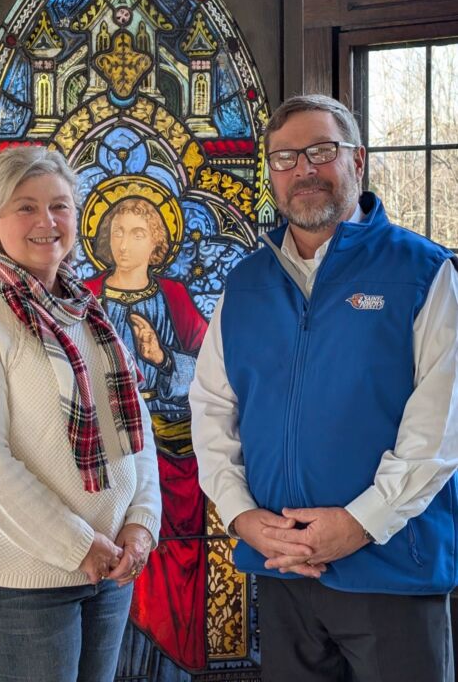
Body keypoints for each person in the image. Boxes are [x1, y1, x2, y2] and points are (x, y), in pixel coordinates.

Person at [190, 94, 458, 682]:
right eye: (285, 158)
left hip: (391, 572)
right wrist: (241, 516)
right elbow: (211, 411)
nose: (303, 170)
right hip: (282, 570)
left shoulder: (423, 271)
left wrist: (357, 525)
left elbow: (439, 432)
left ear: (357, 160)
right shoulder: (246, 284)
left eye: (320, 151)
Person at [0, 146, 161, 682]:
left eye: (59, 206)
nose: (46, 222)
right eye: (26, 207)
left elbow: (135, 432)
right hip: (16, 585)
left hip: (106, 573)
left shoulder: (87, 310)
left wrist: (140, 523)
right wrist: (79, 546)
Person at [85, 196, 210, 670]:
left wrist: (161, 360)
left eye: (138, 233)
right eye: (117, 231)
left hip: (173, 452)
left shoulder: (175, 298)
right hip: (103, 456)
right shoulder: (86, 294)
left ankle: (170, 670)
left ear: (158, 242)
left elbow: (213, 374)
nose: (124, 243)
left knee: (171, 573)